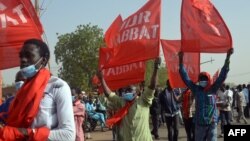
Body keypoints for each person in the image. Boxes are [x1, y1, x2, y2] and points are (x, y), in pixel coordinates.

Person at [0, 39, 75, 140]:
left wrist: (24, 133)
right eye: (21, 56)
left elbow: (68, 135)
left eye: (28, 55)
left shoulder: (58, 86)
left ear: (43, 60)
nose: (23, 60)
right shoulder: (21, 92)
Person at [97, 58, 161, 141]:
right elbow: (109, 94)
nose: (128, 92)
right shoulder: (121, 102)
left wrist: (156, 68)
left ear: (138, 90)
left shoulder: (144, 100)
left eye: (131, 89)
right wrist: (102, 79)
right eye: (126, 90)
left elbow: (152, 86)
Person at [178, 48, 233, 141]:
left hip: (212, 123)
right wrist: (180, 60)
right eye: (201, 79)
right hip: (199, 124)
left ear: (208, 80)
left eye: (205, 79)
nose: (203, 81)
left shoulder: (213, 88)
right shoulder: (196, 89)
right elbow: (185, 77)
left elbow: (223, 75)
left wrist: (228, 57)